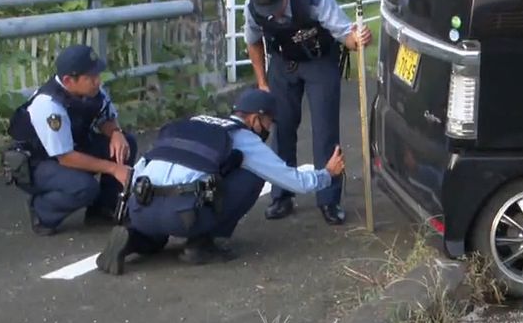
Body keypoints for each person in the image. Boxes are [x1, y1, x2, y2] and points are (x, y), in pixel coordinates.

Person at [95, 89, 346, 274]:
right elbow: (292, 180)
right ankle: (200, 245)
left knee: (158, 234)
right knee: (252, 174)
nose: (270, 128)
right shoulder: (244, 138)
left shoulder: (193, 123)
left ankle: (132, 237)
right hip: (181, 215)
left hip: (140, 207)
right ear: (255, 119)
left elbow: (140, 167)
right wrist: (327, 174)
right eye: (269, 121)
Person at [244, 0, 372, 225]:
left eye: (277, 6)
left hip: (320, 60)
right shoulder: (253, 8)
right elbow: (253, 41)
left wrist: (357, 39)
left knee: (325, 130)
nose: (274, 13)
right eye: (267, 9)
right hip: (282, 63)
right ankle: (282, 196)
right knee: (281, 127)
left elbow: (345, 35)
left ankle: (329, 199)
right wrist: (262, 82)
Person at [7, 44, 135, 235]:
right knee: (85, 187)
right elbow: (65, 158)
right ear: (68, 80)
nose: (97, 81)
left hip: (71, 147)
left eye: (97, 75)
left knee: (126, 145)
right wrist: (114, 168)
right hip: (38, 163)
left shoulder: (93, 90)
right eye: (91, 78)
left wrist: (116, 133)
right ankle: (42, 211)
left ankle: (104, 209)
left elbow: (105, 117)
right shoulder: (49, 105)